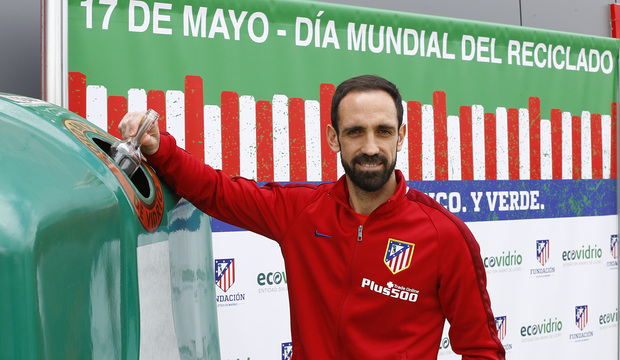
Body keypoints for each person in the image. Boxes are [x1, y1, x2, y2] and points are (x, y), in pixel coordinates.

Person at [119, 75, 505, 360]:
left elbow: (482, 351)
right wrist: (159, 149)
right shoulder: (301, 211)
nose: (370, 147)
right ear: (334, 138)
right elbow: (217, 191)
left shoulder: (445, 235)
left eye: (383, 131)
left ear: (401, 136)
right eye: (355, 132)